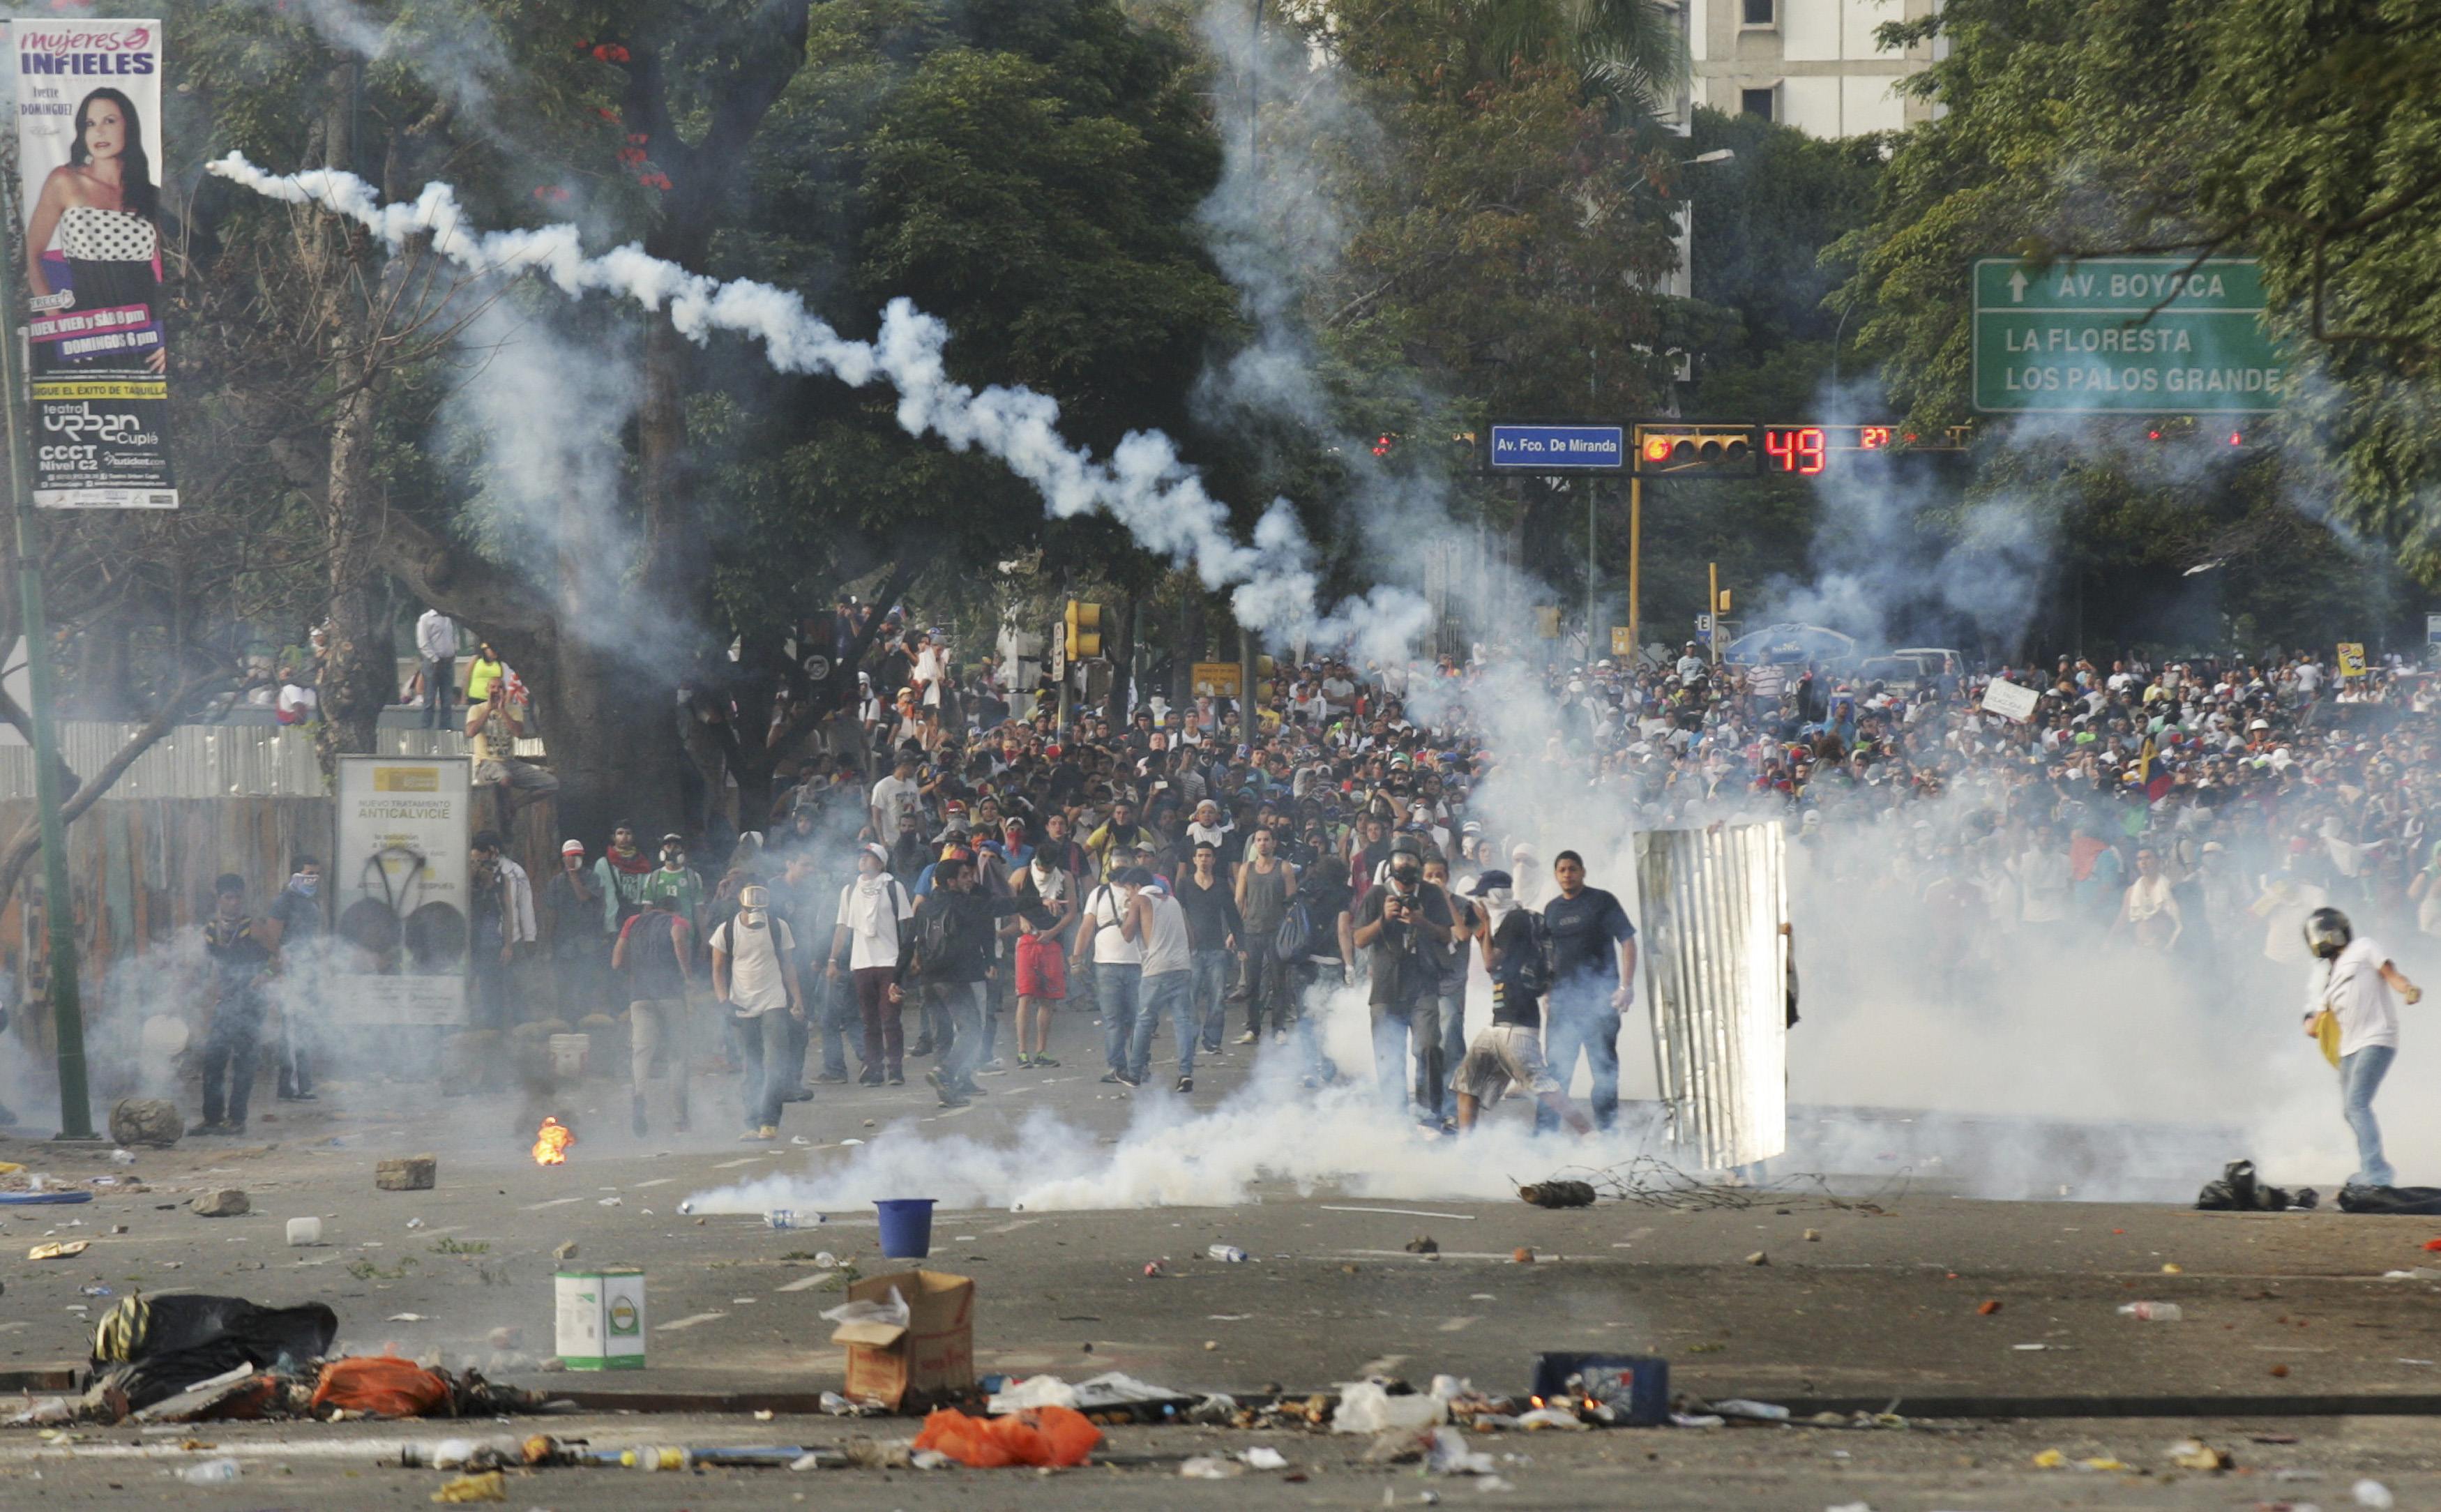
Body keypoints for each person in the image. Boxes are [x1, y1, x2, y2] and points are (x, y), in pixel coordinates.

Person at [24, 88, 167, 377]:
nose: (99, 131)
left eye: (109, 121)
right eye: (90, 124)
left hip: (143, 331)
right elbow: (32, 256)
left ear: (129, 126)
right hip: (82, 327)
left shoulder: (148, 194)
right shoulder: (65, 181)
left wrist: (166, 338)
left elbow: (165, 271)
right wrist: (58, 322)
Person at [1454, 871, 1591, 1135]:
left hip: (1517, 1022)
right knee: (1468, 1082)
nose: (1479, 904)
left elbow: (1490, 963)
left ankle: (1588, 1134)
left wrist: (1484, 925)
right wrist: (1481, 930)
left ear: (1494, 896)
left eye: (1482, 898)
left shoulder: (1514, 921)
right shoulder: (1511, 924)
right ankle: (1465, 1146)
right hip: (1501, 1022)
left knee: (1545, 1088)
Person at [2300, 907, 2421, 1190]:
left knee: (2356, 1105)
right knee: (2350, 1109)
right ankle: (2369, 1170)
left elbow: (2391, 974)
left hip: (2376, 1039)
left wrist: (2407, 989)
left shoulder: (2364, 948)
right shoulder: (2330, 979)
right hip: (2349, 1050)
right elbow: (2315, 1026)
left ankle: (2377, 1174)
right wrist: (2309, 1019)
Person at [912, 850, 1044, 1108]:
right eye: (964, 876)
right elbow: (999, 908)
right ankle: (946, 1073)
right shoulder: (966, 903)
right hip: (955, 978)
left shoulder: (926, 907)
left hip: (929, 980)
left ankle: (949, 1087)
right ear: (950, 881)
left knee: (943, 1034)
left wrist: (898, 979)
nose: (969, 880)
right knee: (972, 1029)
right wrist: (1039, 901)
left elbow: (912, 943)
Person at [1352, 834, 1457, 1126]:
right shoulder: (1377, 895)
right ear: (1390, 863)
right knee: (1388, 1055)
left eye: (1411, 859)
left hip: (1423, 985)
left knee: (1429, 1047)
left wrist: (1422, 922)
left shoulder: (1431, 894)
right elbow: (1359, 939)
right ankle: (1394, 1118)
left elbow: (1447, 935)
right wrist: (1383, 919)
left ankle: (1429, 1114)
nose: (1405, 865)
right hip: (1386, 988)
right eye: (1400, 859)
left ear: (1420, 864)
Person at [1537, 849, 1636, 1133]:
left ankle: (1608, 1134)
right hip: (1563, 1006)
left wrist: (1626, 986)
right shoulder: (1552, 909)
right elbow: (1548, 954)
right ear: (1556, 875)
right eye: (1562, 870)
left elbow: (1628, 941)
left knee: (1604, 1072)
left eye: (1572, 869)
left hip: (1599, 1003)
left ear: (1583, 872)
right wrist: (1547, 991)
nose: (1567, 874)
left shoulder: (1602, 901)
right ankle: (1544, 1139)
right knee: (1556, 1073)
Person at [709, 883, 803, 1142]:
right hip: (742, 1005)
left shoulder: (778, 927)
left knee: (775, 1064)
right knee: (751, 1067)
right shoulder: (726, 930)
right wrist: (723, 1001)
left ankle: (769, 1122)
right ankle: (752, 1122)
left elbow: (788, 966)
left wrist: (797, 1000)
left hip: (774, 1001)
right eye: (751, 909)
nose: (755, 914)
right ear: (742, 906)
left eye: (759, 909)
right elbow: (717, 969)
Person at [192, 875, 271, 1136]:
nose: (234, 903)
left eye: (238, 898)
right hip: (224, 1002)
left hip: (251, 1003)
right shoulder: (210, 931)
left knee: (244, 1062)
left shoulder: (254, 928)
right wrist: (203, 997)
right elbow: (205, 968)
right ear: (219, 899)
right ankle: (212, 1119)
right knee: (213, 1060)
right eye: (229, 898)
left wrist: (266, 975)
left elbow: (279, 959)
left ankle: (237, 1120)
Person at [830, 843, 915, 1085]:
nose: (863, 860)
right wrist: (833, 959)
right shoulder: (850, 891)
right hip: (862, 963)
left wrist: (910, 959)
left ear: (880, 863)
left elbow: (908, 925)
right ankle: (874, 1069)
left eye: (869, 857)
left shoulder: (894, 888)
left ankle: (895, 1069)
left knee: (890, 1019)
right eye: (861, 856)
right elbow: (842, 928)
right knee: (869, 1020)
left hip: (889, 962)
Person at [613, 893, 696, 1135]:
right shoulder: (678, 922)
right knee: (677, 1055)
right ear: (675, 910)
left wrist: (634, 972)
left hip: (639, 996)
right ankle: (680, 1119)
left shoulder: (632, 922)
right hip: (670, 995)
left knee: (641, 1052)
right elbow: (678, 941)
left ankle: (639, 1094)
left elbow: (616, 962)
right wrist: (688, 976)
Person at [1119, 868, 1197, 1092]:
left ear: (1137, 886)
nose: (1127, 895)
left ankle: (1134, 1073)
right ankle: (1185, 1073)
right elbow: (1192, 939)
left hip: (1156, 969)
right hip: (1182, 967)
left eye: (1127, 890)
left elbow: (1127, 934)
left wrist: (1126, 912)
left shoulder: (1140, 900)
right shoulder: (1174, 901)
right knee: (1183, 1021)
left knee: (1145, 1020)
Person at [1076, 844, 1147, 1086]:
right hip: (1106, 964)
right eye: (1117, 863)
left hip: (1137, 962)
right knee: (1113, 1019)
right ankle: (1118, 1067)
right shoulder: (1098, 894)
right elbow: (1087, 927)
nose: (1120, 868)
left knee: (1139, 1018)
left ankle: (1139, 1066)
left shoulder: (1140, 892)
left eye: (1125, 863)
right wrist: (1077, 957)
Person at [261, 856, 324, 1103]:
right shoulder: (284, 902)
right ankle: (294, 1087)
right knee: (293, 1032)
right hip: (290, 976)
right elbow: (272, 940)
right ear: (295, 875)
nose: (313, 879)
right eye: (308, 874)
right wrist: (274, 973)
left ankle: (297, 1085)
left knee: (302, 1029)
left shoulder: (310, 903)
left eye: (316, 874)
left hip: (306, 974)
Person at [1009, 848, 1077, 1068]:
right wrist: (1020, 919)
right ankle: (1022, 1052)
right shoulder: (1022, 874)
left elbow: (1072, 911)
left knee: (1048, 998)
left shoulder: (1065, 877)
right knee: (1025, 996)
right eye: (1042, 867)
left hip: (1052, 941)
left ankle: (1041, 1051)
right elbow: (1007, 901)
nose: (1045, 871)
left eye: (1049, 868)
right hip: (1028, 940)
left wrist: (1053, 932)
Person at [1174, 840, 1241, 1055]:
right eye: (1200, 856)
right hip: (1191, 951)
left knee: (1217, 998)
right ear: (1194, 860)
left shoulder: (1221, 885)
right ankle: (1191, 1039)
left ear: (1214, 860)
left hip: (1217, 950)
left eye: (1208, 856)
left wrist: (1241, 944)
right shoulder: (1184, 884)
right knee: (1190, 998)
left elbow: (1233, 915)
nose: (1204, 859)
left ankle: (1212, 1041)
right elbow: (1176, 914)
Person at [1233, 824, 1296, 1044]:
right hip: (1251, 932)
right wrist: (1234, 931)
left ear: (1274, 843)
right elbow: (1239, 901)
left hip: (1277, 933)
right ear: (1254, 844)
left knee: (1279, 982)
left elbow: (1292, 903)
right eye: (1259, 840)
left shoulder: (1284, 867)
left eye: (1267, 839)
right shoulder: (1246, 868)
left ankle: (1279, 1028)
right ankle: (1253, 1029)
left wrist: (1290, 931)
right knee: (1252, 983)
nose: (1263, 843)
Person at [468, 831, 536, 1031]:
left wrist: (527, 938)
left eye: (480, 860)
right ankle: (493, 1032)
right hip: (481, 944)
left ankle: (523, 1031)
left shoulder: (511, 874)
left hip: (509, 939)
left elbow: (519, 908)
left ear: (492, 852)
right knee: (489, 991)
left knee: (517, 988)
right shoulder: (469, 877)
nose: (478, 865)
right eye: (474, 861)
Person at [467, 675, 558, 812]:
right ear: (487, 690)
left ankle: (513, 807)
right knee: (505, 778)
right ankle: (503, 811)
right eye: (493, 687)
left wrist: (502, 710)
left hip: (510, 761)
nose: (496, 691)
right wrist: (489, 709)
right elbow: (470, 732)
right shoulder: (477, 709)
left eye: (500, 688)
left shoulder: (514, 709)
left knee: (551, 784)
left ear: (505, 691)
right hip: (486, 762)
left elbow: (518, 733)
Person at [545, 839, 607, 1023]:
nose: (573, 859)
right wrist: (548, 943)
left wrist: (573, 874)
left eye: (577, 856)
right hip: (564, 942)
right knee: (564, 985)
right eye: (570, 857)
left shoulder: (592, 878)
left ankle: (585, 1022)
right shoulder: (556, 882)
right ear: (564, 859)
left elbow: (583, 897)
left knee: (585, 984)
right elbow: (551, 913)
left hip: (587, 941)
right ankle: (565, 1022)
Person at [594, 824, 656, 935]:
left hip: (639, 923)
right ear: (613, 838)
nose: (624, 837)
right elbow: (599, 897)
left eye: (628, 833)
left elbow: (648, 894)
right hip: (613, 923)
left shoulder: (643, 863)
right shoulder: (603, 864)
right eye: (620, 833)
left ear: (633, 837)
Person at [642, 834, 705, 933]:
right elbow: (647, 909)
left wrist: (704, 938)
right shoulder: (653, 877)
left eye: (676, 847)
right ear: (662, 851)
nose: (672, 850)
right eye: (668, 846)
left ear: (682, 851)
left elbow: (699, 911)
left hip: (687, 933)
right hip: (659, 933)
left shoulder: (693, 877)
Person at [414, 607, 458, 730]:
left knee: (447, 699)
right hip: (433, 663)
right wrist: (435, 659)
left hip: (448, 662)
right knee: (430, 698)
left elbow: (453, 636)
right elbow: (423, 643)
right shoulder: (426, 619)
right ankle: (426, 728)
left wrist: (454, 651)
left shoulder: (448, 618)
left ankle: (446, 727)